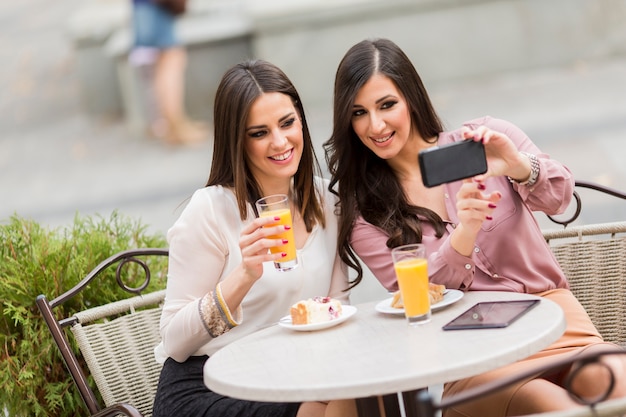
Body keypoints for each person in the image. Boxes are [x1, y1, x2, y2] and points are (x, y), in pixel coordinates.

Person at [323, 38, 626, 416]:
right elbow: (417, 295)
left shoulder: (483, 138)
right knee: (549, 406)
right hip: (471, 351)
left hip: (554, 321)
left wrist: (518, 165)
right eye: (359, 113)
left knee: (616, 381)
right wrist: (464, 234)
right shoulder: (364, 211)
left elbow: (560, 197)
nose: (376, 125)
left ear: (411, 98)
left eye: (387, 105)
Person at [151, 59, 356, 417]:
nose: (280, 142)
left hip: (289, 375)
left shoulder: (328, 202)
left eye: (287, 123)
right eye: (259, 133)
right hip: (209, 384)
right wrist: (244, 275)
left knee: (366, 393)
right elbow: (174, 341)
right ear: (238, 141)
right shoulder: (211, 210)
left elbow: (333, 307)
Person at [130, 0, 208, 145]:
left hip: (145, 9)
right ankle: (177, 126)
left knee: (163, 66)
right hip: (155, 8)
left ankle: (171, 127)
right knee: (171, 61)